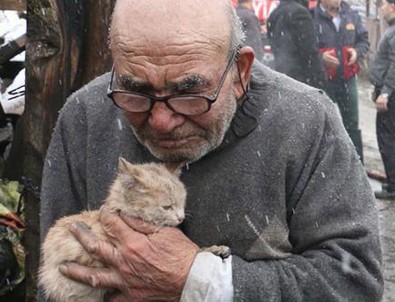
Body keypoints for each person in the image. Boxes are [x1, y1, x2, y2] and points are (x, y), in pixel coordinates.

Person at [40, 0, 383, 301]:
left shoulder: (306, 121)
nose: (161, 121)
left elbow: (355, 282)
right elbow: (52, 279)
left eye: (189, 94)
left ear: (240, 73)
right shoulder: (85, 115)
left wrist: (201, 281)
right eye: (136, 91)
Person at [312, 0, 369, 162]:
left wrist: (357, 52)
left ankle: (357, 166)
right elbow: (306, 48)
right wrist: (320, 57)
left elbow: (364, 41)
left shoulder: (352, 16)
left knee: (352, 125)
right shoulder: (312, 17)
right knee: (322, 125)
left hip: (347, 79)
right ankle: (325, 167)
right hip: (323, 81)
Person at [267, 0, 326, 88]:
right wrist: (320, 77)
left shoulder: (274, 14)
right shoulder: (300, 13)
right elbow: (309, 50)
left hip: (283, 76)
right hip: (302, 78)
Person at [369, 0, 395, 200]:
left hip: (390, 95)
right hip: (388, 91)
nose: (381, 8)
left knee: (387, 138)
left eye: (383, 5)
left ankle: (392, 185)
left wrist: (385, 92)